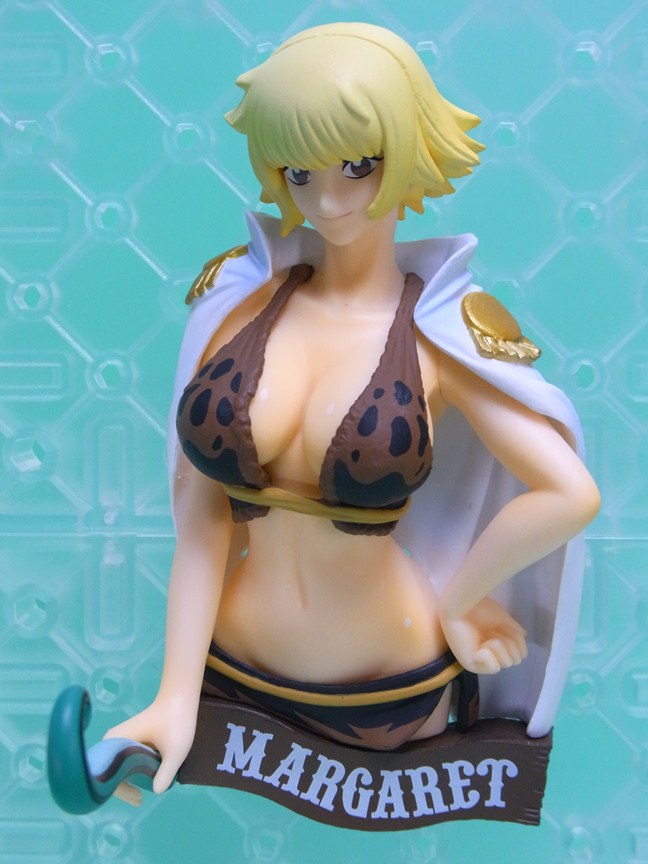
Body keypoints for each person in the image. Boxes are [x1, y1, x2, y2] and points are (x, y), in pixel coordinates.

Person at [106, 22, 600, 794]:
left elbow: (570, 493)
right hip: (230, 670)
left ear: (407, 151)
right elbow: (203, 521)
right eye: (299, 171)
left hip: (390, 689)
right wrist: (175, 693)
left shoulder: (439, 334)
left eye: (360, 166)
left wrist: (463, 600)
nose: (328, 199)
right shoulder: (242, 306)